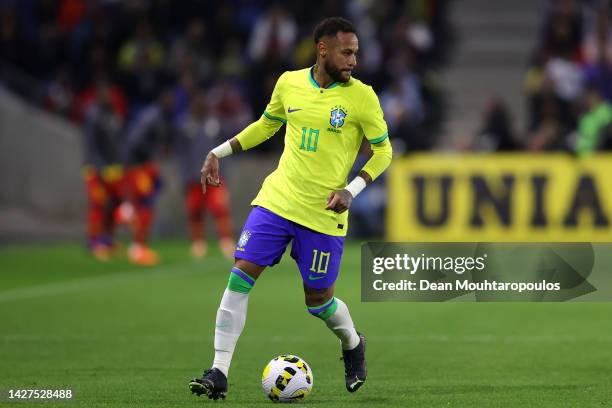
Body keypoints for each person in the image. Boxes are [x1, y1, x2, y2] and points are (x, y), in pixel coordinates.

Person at [189, 17, 392, 400]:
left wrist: (352, 189)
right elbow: (266, 126)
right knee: (240, 275)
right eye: (346, 52)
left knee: (319, 303)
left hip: (324, 213)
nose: (353, 60)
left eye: (356, 53)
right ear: (323, 50)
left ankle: (352, 342)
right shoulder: (289, 82)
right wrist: (218, 151)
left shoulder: (362, 97)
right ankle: (219, 370)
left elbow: (384, 151)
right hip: (278, 200)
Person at [176, 90, 235, 259]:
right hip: (194, 177)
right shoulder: (185, 125)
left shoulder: (215, 123)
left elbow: (226, 148)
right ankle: (198, 243)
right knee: (195, 211)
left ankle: (226, 241)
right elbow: (181, 154)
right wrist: (185, 176)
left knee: (220, 209)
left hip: (214, 177)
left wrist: (225, 174)